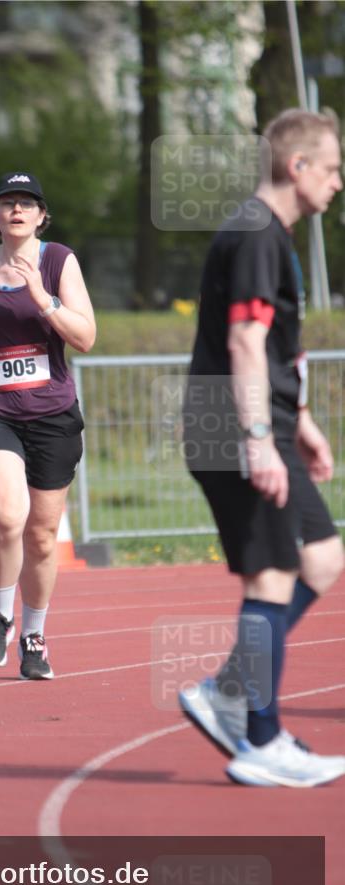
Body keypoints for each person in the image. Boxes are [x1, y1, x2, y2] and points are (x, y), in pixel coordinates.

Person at [179, 109, 345, 787]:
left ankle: (226, 692)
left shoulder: (272, 237)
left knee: (323, 559)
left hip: (269, 423)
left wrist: (298, 420)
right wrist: (256, 441)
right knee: (270, 578)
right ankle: (261, 740)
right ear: (295, 166)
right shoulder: (254, 233)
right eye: (331, 168)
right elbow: (244, 343)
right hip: (235, 428)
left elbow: (276, 344)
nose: (337, 183)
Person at [0, 171, 96, 680]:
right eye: (7, 203)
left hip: (53, 414)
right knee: (8, 516)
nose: (17, 210)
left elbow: (86, 338)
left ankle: (34, 635)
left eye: (27, 203)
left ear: (41, 216)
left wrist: (44, 300)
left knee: (41, 535)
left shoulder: (59, 261)